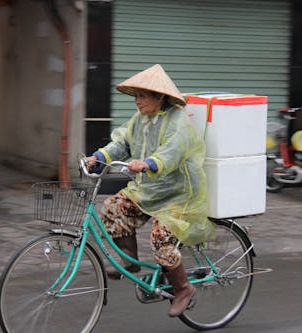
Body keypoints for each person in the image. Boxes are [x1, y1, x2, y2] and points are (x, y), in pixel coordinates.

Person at [86, 64, 214, 317]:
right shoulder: (141, 119)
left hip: (179, 196)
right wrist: (100, 156)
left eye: (142, 95)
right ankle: (129, 259)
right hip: (149, 190)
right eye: (135, 95)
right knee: (113, 208)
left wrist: (148, 162)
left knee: (160, 237)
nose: (137, 101)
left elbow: (172, 152)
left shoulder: (178, 122)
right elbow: (122, 141)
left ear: (159, 96)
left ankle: (183, 289)